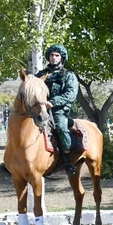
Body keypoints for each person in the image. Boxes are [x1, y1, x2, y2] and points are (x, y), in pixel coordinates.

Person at [35, 44, 78, 175]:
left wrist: (53, 102)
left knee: (61, 127)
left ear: (61, 58)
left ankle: (67, 160)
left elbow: (71, 94)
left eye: (57, 55)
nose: (54, 58)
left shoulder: (69, 75)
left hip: (59, 110)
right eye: (52, 55)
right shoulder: (40, 74)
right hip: (40, 109)